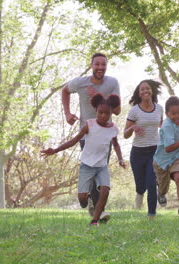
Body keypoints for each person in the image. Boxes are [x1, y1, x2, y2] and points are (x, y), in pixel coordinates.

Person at [41, 94, 126, 226]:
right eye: (100, 112)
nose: (103, 115)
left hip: (102, 166)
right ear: (96, 111)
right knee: (82, 201)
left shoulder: (113, 129)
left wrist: (120, 159)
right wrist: (56, 150)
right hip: (87, 165)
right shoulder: (89, 125)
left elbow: (115, 144)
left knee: (105, 190)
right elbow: (74, 140)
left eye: (107, 113)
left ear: (111, 113)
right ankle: (88, 199)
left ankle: (94, 221)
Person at [61, 53, 120, 221]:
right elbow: (65, 90)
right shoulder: (80, 82)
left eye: (103, 64)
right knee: (92, 168)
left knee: (101, 169)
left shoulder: (112, 83)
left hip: (104, 135)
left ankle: (98, 211)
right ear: (92, 65)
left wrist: (100, 97)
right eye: (97, 64)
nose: (100, 67)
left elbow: (117, 110)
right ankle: (95, 209)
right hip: (86, 133)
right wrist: (67, 114)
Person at [123, 80, 163, 219]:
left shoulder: (159, 109)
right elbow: (125, 134)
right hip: (138, 152)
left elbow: (163, 127)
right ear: (139, 94)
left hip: (154, 150)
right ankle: (139, 192)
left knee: (151, 183)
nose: (145, 91)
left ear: (151, 90)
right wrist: (133, 127)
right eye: (142, 89)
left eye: (147, 88)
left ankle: (151, 214)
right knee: (141, 185)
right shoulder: (134, 111)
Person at [153, 96, 179, 221]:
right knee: (163, 189)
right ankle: (160, 192)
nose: (177, 116)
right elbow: (168, 148)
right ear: (167, 114)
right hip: (162, 160)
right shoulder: (167, 126)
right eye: (173, 114)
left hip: (177, 156)